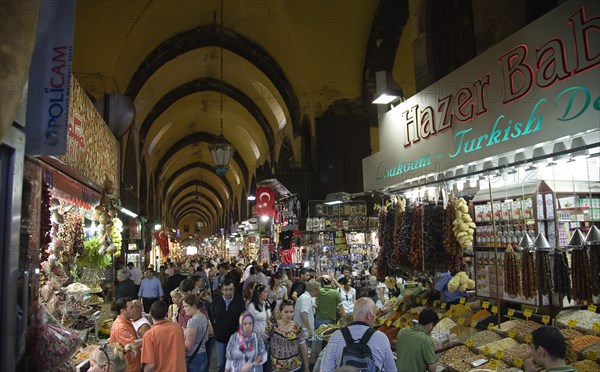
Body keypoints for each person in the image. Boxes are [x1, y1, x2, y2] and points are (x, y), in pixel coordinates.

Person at [319, 298, 396, 372]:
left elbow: (326, 369)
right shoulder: (381, 338)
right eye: (374, 315)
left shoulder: (337, 336)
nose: (375, 317)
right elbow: (391, 369)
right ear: (369, 315)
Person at [141, 300, 187, 372]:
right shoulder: (177, 328)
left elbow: (150, 365)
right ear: (166, 314)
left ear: (150, 314)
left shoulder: (149, 335)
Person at [214, 278, 246, 372]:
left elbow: (242, 318)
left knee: (234, 363)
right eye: (226, 289)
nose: (228, 292)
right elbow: (212, 318)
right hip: (220, 338)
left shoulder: (239, 301)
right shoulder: (216, 301)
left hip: (235, 338)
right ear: (222, 290)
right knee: (221, 364)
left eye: (230, 289)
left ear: (234, 289)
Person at [268, 300, 309, 372]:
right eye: (286, 312)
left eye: (291, 312)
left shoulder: (298, 326)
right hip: (277, 368)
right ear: (280, 312)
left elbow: (303, 347)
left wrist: (306, 366)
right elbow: (262, 341)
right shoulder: (272, 325)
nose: (289, 315)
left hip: (295, 367)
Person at [395, 308, 439, 372]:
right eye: (433, 327)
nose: (432, 329)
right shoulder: (426, 340)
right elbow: (432, 368)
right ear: (430, 325)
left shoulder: (402, 331)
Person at [108, 297, 142, 372]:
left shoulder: (126, 322)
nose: (135, 310)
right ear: (123, 311)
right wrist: (150, 337)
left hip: (133, 366)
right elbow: (132, 344)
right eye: (131, 308)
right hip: (127, 368)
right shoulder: (120, 326)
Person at [182, 294, 211, 372]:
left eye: (186, 306)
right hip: (203, 355)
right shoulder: (203, 317)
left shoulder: (192, 321)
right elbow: (206, 338)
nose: (184, 309)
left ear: (194, 306)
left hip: (193, 359)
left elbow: (188, 347)